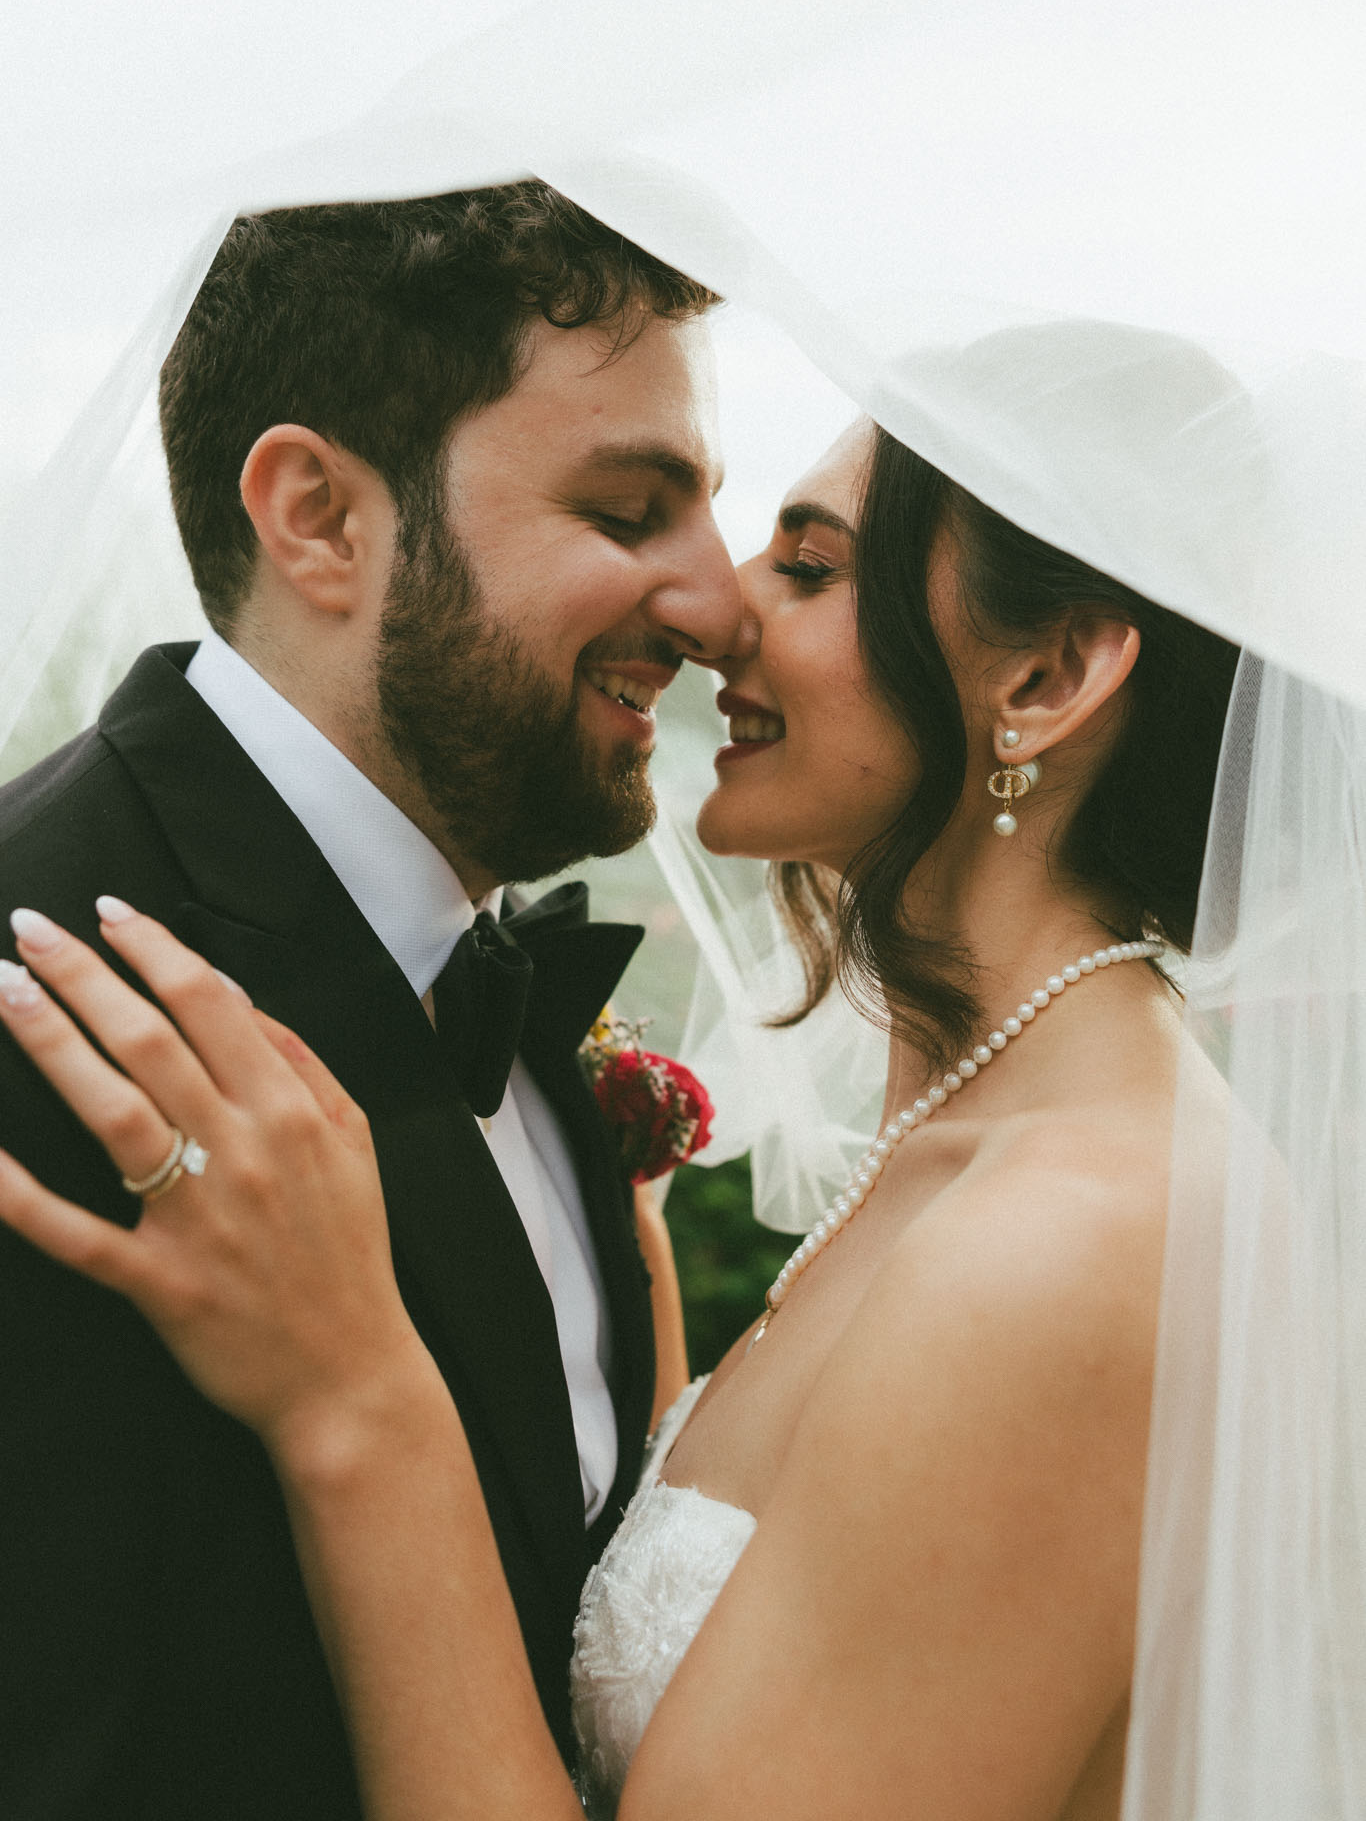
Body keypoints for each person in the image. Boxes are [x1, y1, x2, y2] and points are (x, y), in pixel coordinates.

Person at [0, 408, 1239, 1819]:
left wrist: (354, 1390)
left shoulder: (1071, 1247)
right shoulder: (978, 1139)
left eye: (812, 568)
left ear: (1047, 674)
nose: (720, 612)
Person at [0, 184, 739, 1819]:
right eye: (629, 514)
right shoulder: (38, 1001)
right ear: (320, 516)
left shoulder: (510, 987)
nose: (721, 604)